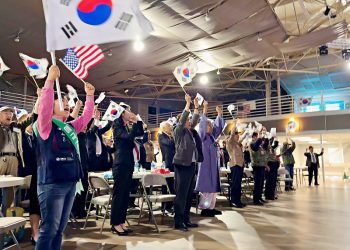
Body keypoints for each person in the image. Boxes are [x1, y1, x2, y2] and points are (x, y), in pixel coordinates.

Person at [34, 65, 95, 250]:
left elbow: (85, 118)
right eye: (61, 102)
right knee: (49, 229)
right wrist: (50, 80)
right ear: (50, 108)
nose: (66, 104)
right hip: (52, 183)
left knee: (60, 230)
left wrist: (90, 96)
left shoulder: (69, 127)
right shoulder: (44, 126)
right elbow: (44, 107)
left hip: (70, 182)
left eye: (67, 103)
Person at [110, 104, 144, 236]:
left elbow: (140, 133)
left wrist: (138, 122)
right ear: (122, 113)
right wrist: (135, 124)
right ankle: (115, 224)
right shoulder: (117, 127)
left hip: (128, 164)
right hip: (120, 164)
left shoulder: (126, 127)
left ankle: (121, 223)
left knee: (125, 195)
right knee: (119, 196)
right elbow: (130, 138)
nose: (130, 112)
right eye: (128, 110)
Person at [173, 94, 200, 232]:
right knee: (182, 195)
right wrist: (188, 104)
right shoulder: (178, 131)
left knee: (189, 195)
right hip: (182, 165)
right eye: (187, 120)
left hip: (191, 165)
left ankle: (186, 219)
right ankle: (178, 222)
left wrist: (196, 106)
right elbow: (184, 119)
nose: (190, 121)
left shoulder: (190, 132)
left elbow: (195, 120)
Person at [0, 104, 33, 215]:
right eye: (5, 113)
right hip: (1, 158)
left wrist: (40, 99)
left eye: (10, 113)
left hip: (14, 159)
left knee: (11, 189)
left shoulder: (16, 127)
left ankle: (6, 214)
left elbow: (30, 119)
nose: (9, 115)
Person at [196, 102, 225, 217]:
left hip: (213, 166)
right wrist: (205, 110)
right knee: (207, 187)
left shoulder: (212, 136)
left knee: (213, 187)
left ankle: (211, 207)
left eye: (211, 125)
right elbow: (202, 125)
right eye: (209, 125)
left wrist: (219, 114)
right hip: (205, 166)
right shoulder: (202, 136)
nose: (211, 127)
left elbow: (218, 128)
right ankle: (204, 208)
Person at [227, 120, 246, 208]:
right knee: (235, 184)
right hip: (235, 165)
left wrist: (246, 132)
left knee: (238, 184)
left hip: (240, 165)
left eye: (238, 134)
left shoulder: (237, 144)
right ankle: (234, 201)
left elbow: (242, 138)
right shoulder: (230, 143)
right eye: (236, 134)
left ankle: (238, 200)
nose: (238, 135)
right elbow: (231, 136)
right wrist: (234, 125)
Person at [158, 121, 176, 211]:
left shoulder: (170, 136)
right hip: (167, 164)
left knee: (171, 185)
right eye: (169, 125)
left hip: (173, 163)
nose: (171, 127)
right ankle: (165, 206)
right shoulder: (161, 136)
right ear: (164, 127)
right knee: (166, 185)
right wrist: (173, 136)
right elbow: (170, 143)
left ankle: (170, 205)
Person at [249, 131, 269, 206]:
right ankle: (256, 200)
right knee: (257, 184)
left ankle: (259, 197)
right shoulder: (252, 143)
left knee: (261, 183)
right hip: (257, 165)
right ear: (253, 137)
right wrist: (260, 138)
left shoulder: (259, 145)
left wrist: (266, 136)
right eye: (256, 136)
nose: (257, 138)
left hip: (261, 165)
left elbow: (265, 146)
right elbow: (255, 147)